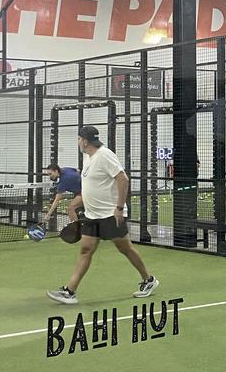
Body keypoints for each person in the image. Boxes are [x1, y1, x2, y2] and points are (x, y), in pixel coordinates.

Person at [48, 126, 158, 305]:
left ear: (85, 141)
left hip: (110, 214)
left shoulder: (105, 155)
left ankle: (149, 280)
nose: (78, 142)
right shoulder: (88, 157)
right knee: (86, 250)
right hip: (92, 216)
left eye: (79, 139)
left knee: (125, 248)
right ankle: (70, 291)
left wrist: (119, 208)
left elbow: (123, 179)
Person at [42, 162, 82, 226]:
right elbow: (78, 170)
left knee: (71, 209)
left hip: (84, 192)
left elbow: (57, 200)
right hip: (85, 190)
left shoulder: (63, 182)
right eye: (48, 174)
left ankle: (76, 229)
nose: (50, 176)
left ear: (56, 171)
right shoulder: (65, 169)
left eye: (50, 174)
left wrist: (48, 214)